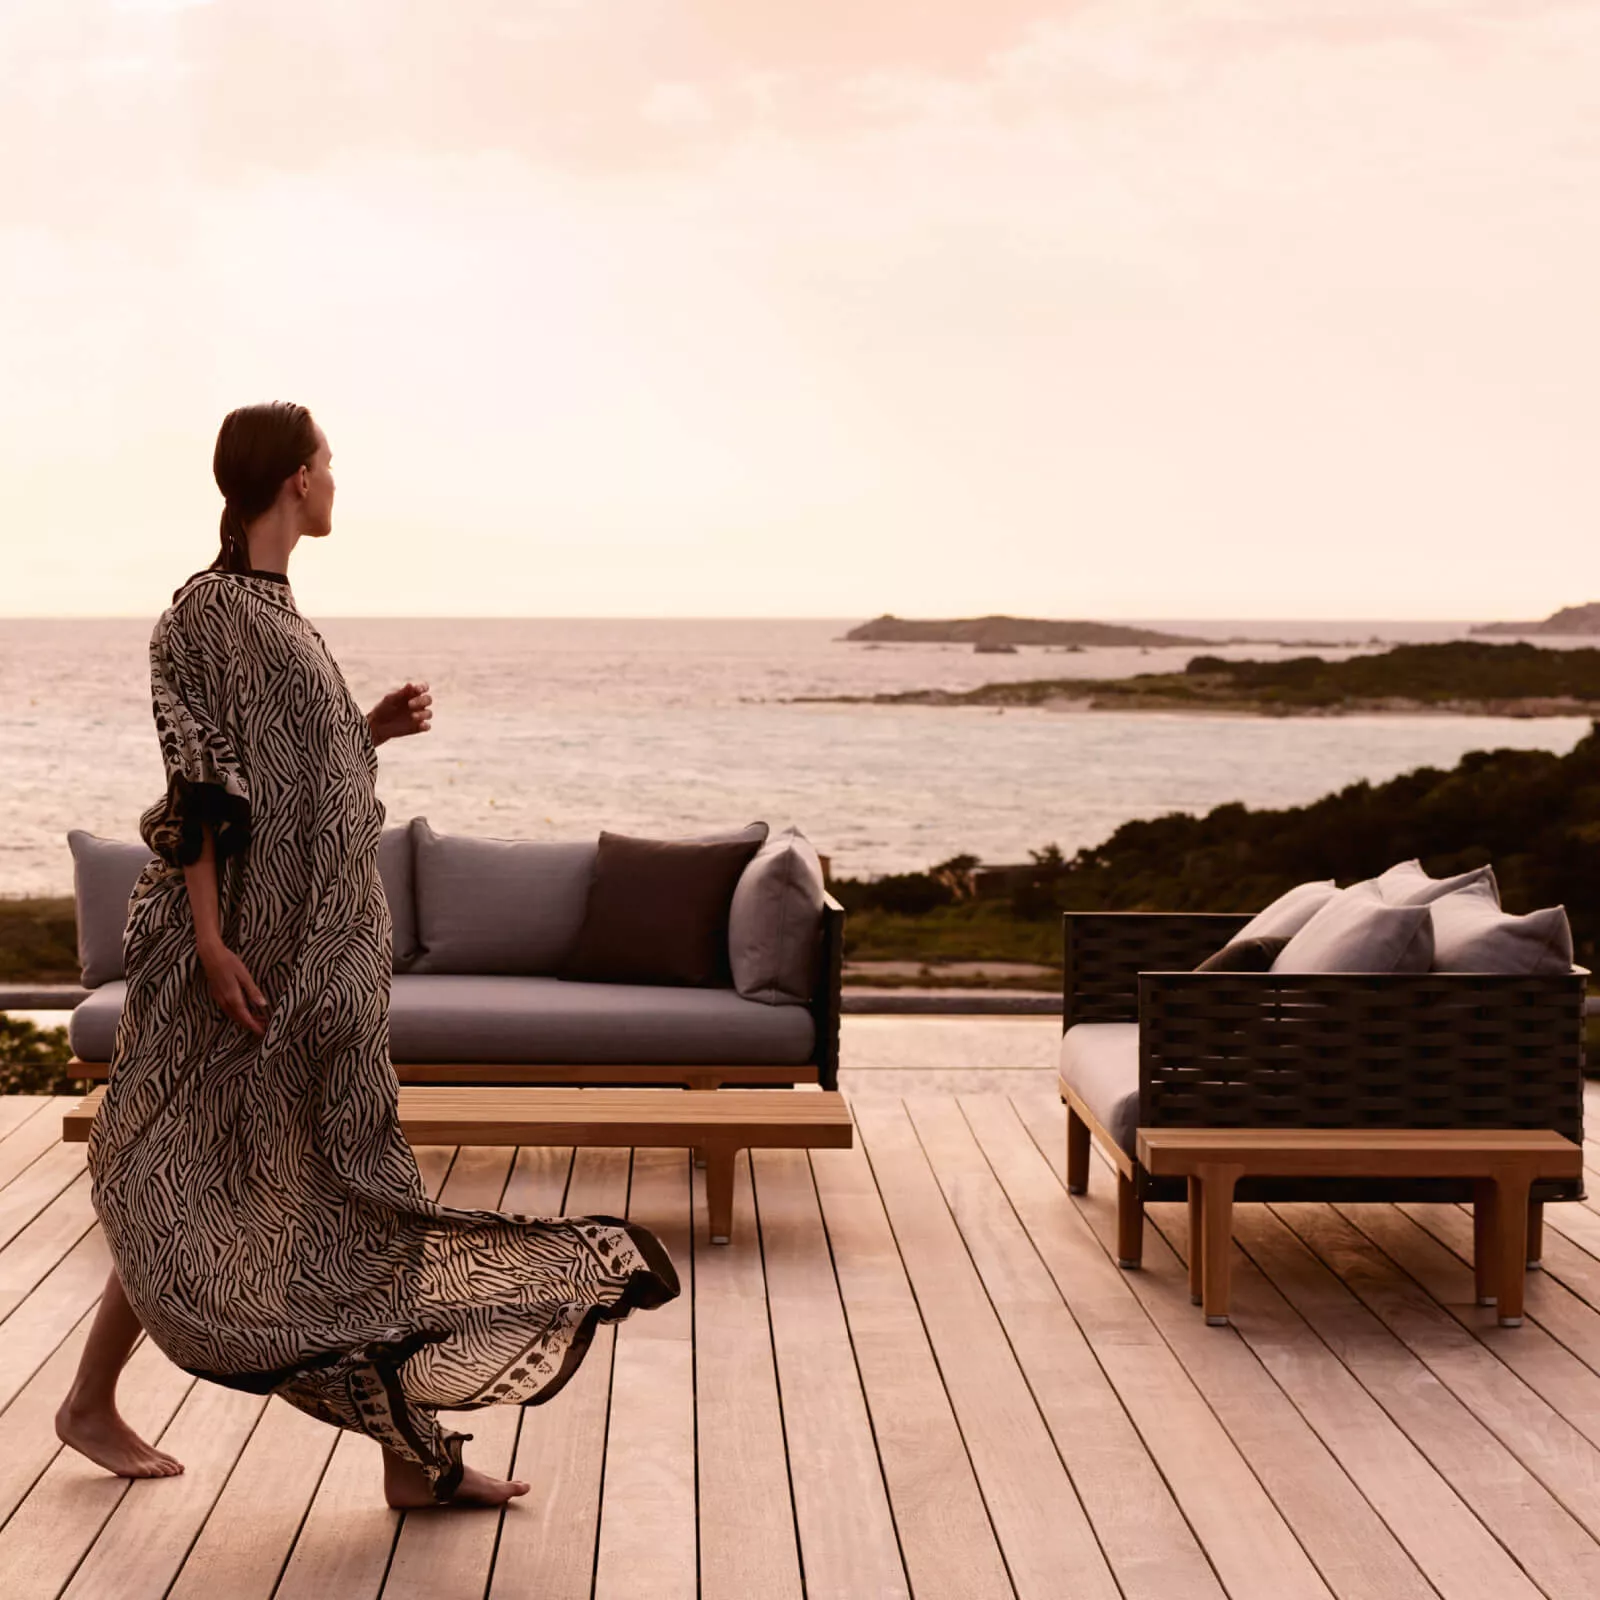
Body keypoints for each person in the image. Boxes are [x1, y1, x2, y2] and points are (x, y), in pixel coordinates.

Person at [54, 402, 679, 1507]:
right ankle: (363, 1448)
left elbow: (294, 767)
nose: (338, 480)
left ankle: (408, 1457)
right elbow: (204, 783)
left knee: (321, 1195)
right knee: (195, 1186)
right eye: (330, 463)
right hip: (241, 970)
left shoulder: (284, 613)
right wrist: (207, 940)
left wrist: (369, 729)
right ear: (296, 478)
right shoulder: (201, 613)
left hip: (323, 975)